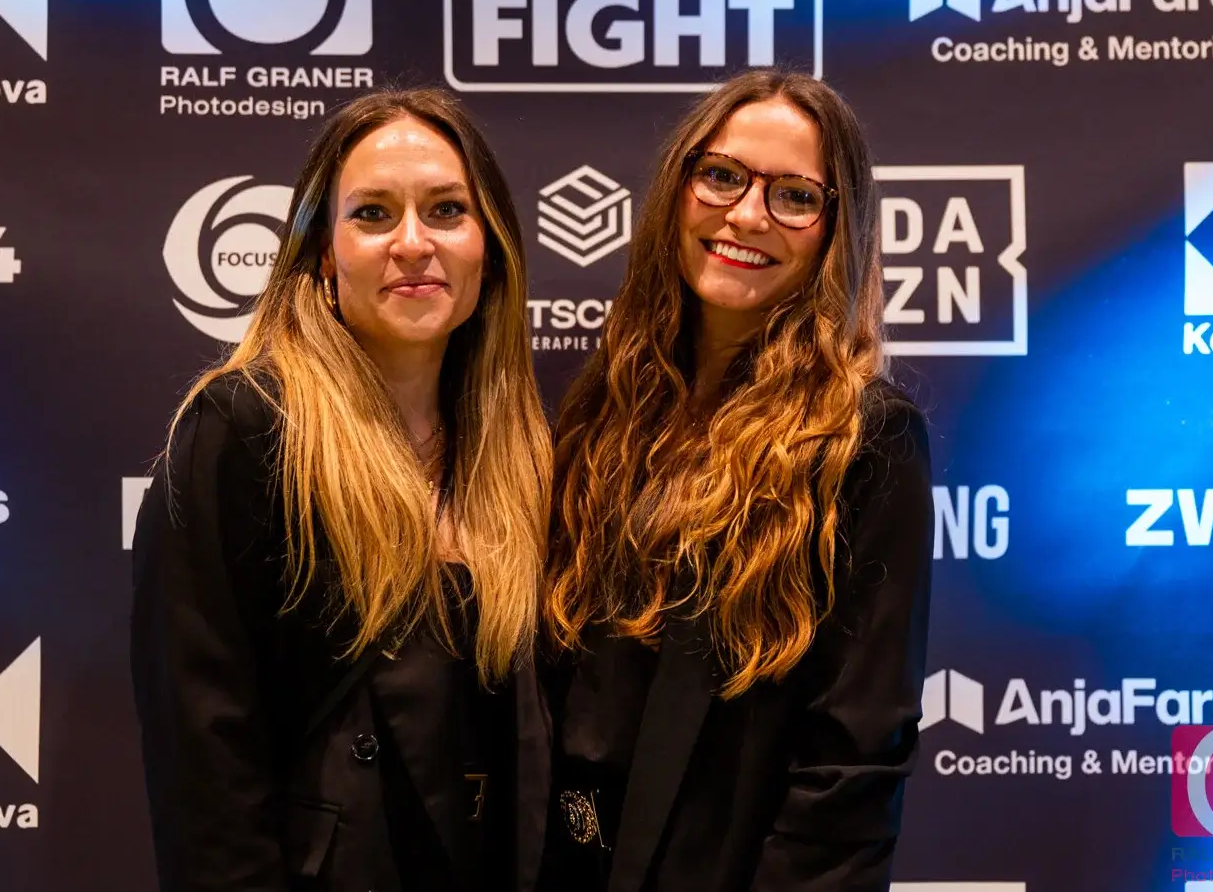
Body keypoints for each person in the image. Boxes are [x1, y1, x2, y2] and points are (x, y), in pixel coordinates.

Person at [130, 88, 553, 892]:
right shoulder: (243, 432)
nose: (413, 243)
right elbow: (204, 762)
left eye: (446, 210)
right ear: (324, 255)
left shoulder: (517, 451)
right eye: (372, 214)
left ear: (490, 247)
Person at [540, 70, 935, 892]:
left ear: (836, 229)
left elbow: (851, 765)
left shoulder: (864, 438)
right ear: (677, 188)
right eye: (721, 175)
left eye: (794, 196)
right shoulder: (604, 404)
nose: (748, 215)